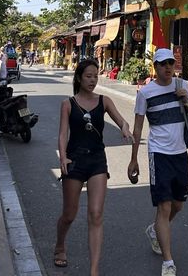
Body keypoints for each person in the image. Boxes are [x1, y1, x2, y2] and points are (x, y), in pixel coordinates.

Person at [55, 58, 132, 274]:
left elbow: (121, 121)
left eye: (95, 76)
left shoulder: (104, 101)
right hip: (75, 160)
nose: (92, 80)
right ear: (79, 78)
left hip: (98, 160)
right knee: (69, 214)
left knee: (96, 214)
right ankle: (60, 244)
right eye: (88, 76)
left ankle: (94, 269)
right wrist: (62, 157)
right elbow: (63, 134)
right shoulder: (68, 104)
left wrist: (125, 129)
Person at [127, 48, 188, 276]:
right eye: (163, 64)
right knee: (164, 206)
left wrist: (185, 100)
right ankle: (168, 262)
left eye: (171, 63)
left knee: (178, 205)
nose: (168, 67)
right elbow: (138, 128)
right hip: (158, 153)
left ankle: (155, 229)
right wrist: (133, 159)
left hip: (180, 153)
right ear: (155, 67)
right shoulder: (145, 93)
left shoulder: (182, 86)